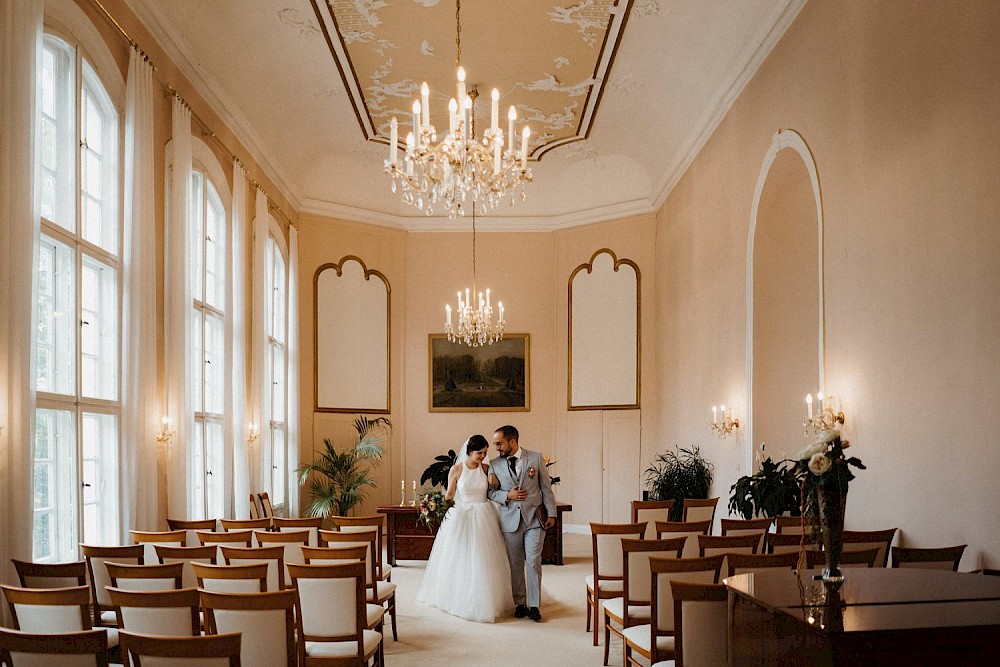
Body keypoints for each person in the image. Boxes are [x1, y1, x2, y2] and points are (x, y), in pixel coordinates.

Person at [416, 435, 514, 622]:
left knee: (485, 558)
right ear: (469, 451)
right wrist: (435, 505)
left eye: (485, 453)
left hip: (484, 514)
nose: (483, 456)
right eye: (479, 453)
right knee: (461, 556)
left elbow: (495, 489)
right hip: (462, 514)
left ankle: (489, 597)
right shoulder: (457, 469)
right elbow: (451, 493)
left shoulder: (486, 469)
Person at [488, 425, 556, 622]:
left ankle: (534, 605)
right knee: (515, 564)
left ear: (512, 441)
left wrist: (551, 514)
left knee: (533, 561)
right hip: (510, 520)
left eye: (499, 443)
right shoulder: (494, 464)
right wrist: (506, 495)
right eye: (495, 444)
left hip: (535, 519)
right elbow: (490, 493)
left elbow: (546, 488)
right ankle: (520, 603)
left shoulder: (535, 458)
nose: (497, 448)